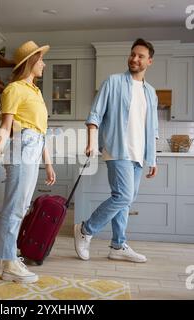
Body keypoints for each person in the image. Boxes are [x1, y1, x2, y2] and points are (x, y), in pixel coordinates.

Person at [0, 41, 56, 283]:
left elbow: (41, 131)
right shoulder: (13, 89)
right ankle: (8, 263)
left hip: (34, 148)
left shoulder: (35, 91)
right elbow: (5, 129)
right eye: (40, 60)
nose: (44, 64)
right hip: (21, 149)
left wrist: (47, 162)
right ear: (30, 62)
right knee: (15, 209)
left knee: (17, 208)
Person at [74, 38, 159, 263]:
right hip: (117, 149)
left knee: (126, 200)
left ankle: (118, 245)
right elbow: (95, 114)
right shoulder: (112, 82)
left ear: (149, 61)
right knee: (123, 196)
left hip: (139, 155)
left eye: (140, 56)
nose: (134, 58)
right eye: (132, 54)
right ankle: (86, 229)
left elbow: (153, 128)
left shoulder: (151, 92)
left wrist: (153, 158)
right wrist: (92, 142)